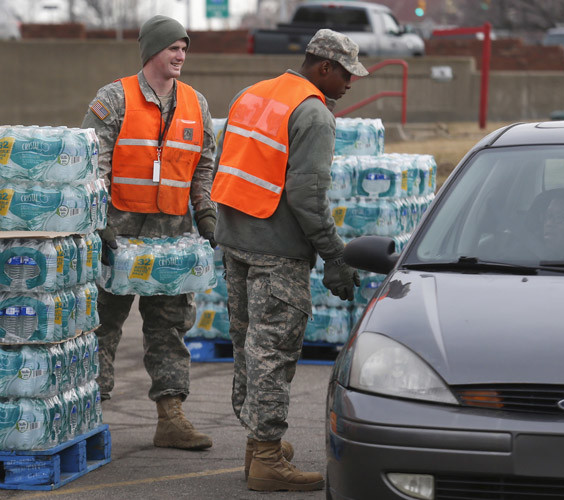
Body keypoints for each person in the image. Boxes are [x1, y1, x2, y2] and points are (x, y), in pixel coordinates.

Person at [210, 29, 365, 491]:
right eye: (346, 74)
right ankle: (266, 457)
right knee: (273, 354)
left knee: (248, 349)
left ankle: (258, 442)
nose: (350, 84)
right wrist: (335, 256)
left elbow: (227, 163)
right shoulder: (313, 113)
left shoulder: (251, 95)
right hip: (277, 252)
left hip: (236, 242)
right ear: (324, 67)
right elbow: (308, 196)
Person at [81, 15, 217, 450]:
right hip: (117, 237)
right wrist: (97, 221)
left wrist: (207, 214)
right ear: (151, 53)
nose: (180, 55)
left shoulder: (197, 104)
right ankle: (87, 414)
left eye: (184, 48)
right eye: (172, 48)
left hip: (171, 237)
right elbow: (91, 162)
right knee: (101, 325)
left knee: (169, 328)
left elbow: (204, 166)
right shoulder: (114, 98)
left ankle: (171, 416)